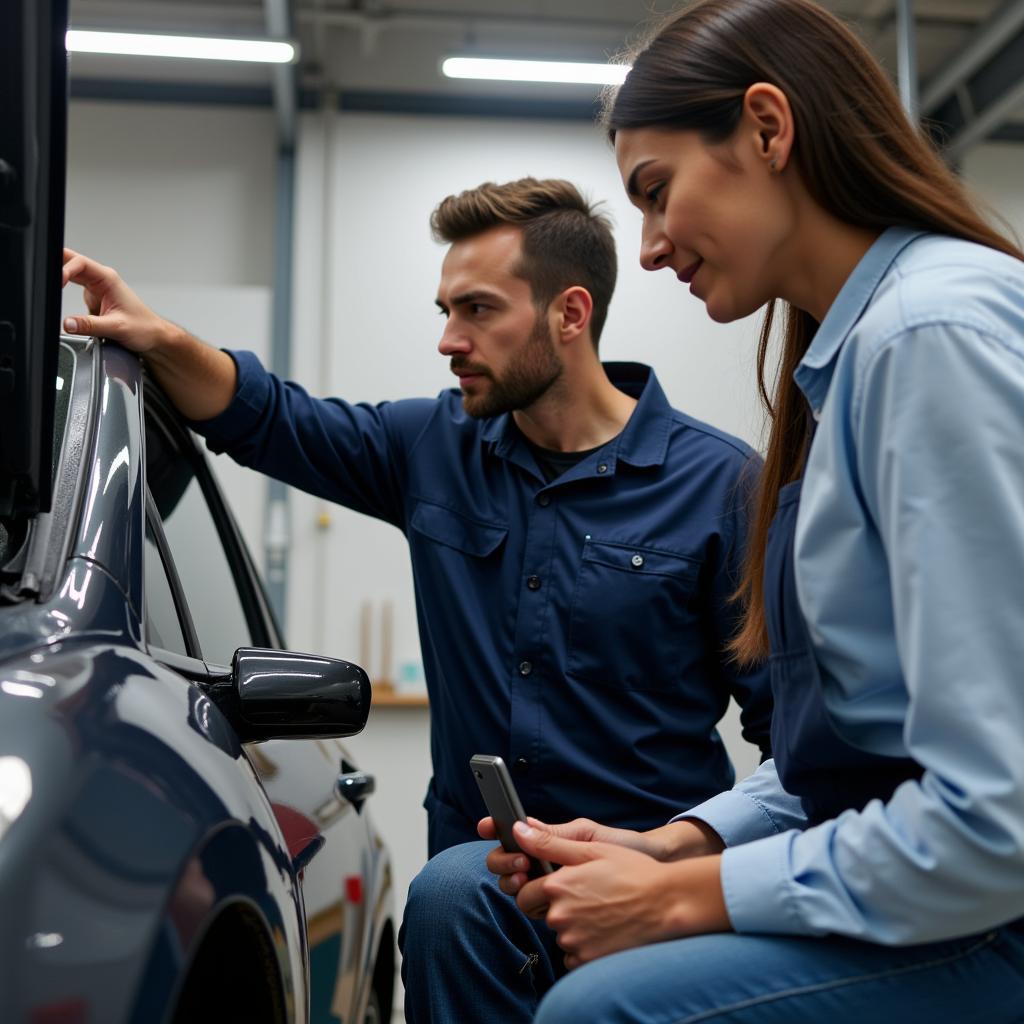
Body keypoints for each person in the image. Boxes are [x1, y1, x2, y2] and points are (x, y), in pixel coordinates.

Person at [441, 2, 1024, 1022]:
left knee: (599, 1008)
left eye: (657, 193)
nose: (652, 249)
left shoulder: (927, 336)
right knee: (463, 896)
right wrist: (673, 842)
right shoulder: (842, 364)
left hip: (989, 914)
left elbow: (1000, 818)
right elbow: (845, 763)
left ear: (766, 127)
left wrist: (683, 898)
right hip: (930, 881)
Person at [61, 177, 772, 860]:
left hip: (649, 889)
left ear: (570, 314)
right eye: (446, 312)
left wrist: (695, 866)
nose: (449, 341)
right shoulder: (432, 448)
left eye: (479, 310)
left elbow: (786, 729)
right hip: (478, 885)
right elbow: (266, 417)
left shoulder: (722, 487)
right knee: (445, 902)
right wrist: (154, 333)